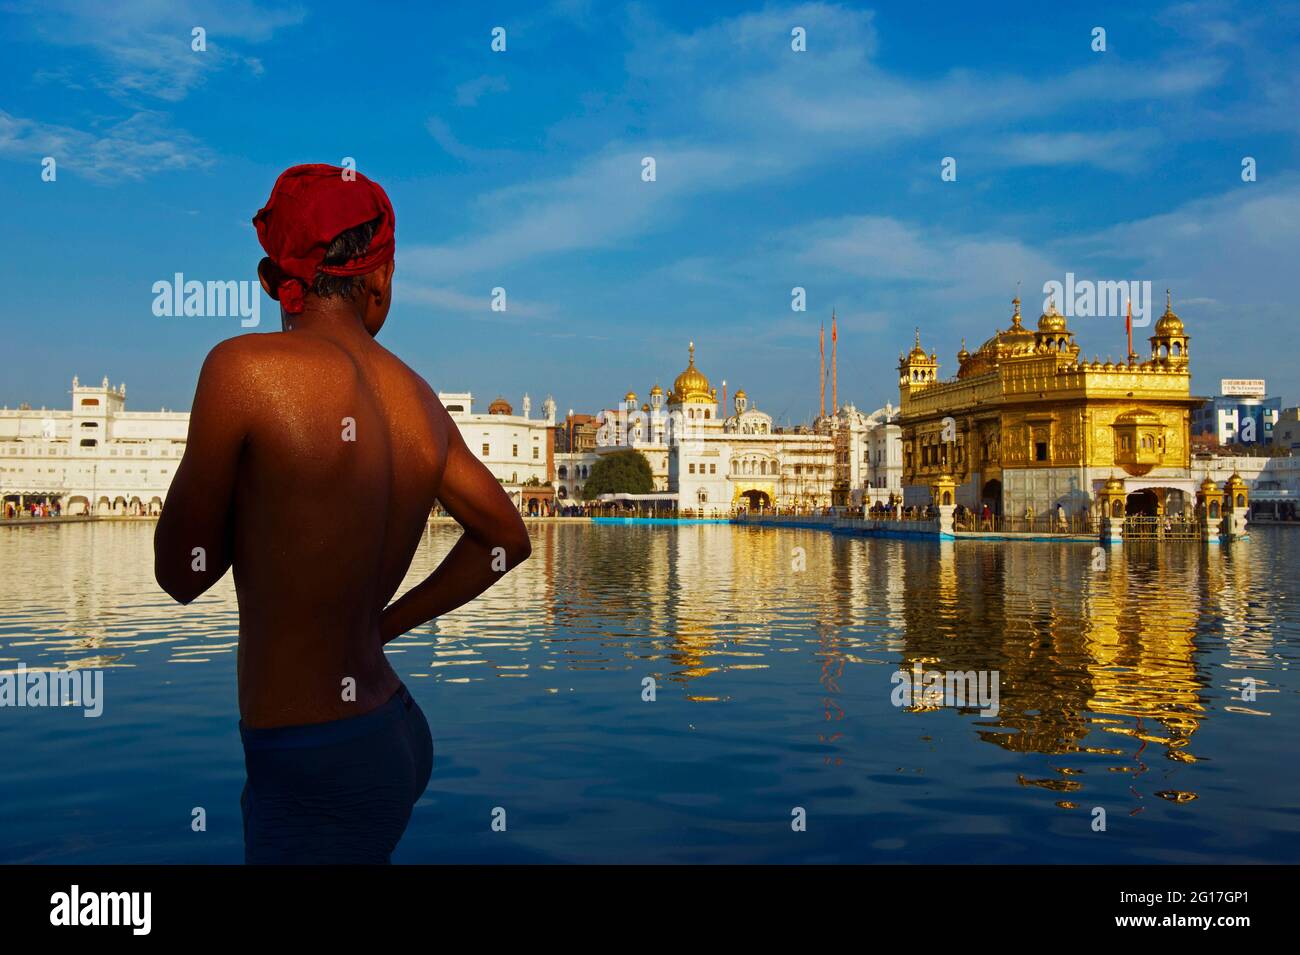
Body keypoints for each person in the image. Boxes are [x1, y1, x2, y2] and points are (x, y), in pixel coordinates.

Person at [154, 164, 530, 864]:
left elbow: (181, 575)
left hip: (308, 758)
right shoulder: (418, 400)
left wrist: (260, 492)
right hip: (392, 728)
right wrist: (383, 624)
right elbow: (507, 539)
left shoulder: (243, 371)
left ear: (273, 280)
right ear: (380, 278)